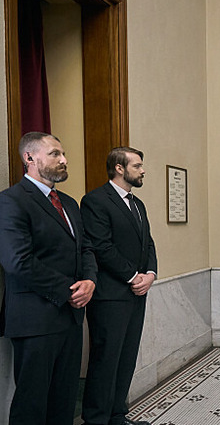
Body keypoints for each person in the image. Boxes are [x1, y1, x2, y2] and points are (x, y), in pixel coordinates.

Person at [0, 132, 97, 424]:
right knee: (32, 404)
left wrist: (90, 280)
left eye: (63, 153)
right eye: (55, 153)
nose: (64, 160)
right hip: (35, 319)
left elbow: (86, 248)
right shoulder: (11, 201)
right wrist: (69, 290)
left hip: (70, 317)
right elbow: (18, 261)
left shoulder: (69, 203)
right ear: (29, 158)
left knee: (63, 401)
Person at [80, 147, 157, 425]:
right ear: (120, 169)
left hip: (136, 295)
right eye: (137, 165)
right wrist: (132, 276)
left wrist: (150, 273)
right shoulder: (95, 201)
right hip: (110, 296)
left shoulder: (138, 204)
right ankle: (97, 419)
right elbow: (101, 246)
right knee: (106, 360)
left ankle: (117, 416)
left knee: (126, 359)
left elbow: (147, 242)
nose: (143, 170)